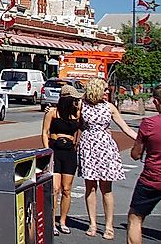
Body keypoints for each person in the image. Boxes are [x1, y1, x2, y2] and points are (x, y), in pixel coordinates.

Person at [78, 77, 138, 239]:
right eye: (104, 89)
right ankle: (92, 224)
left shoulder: (110, 107)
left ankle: (109, 225)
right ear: (95, 90)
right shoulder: (82, 105)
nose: (107, 92)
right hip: (88, 146)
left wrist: (143, 140)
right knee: (90, 186)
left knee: (106, 188)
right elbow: (71, 119)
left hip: (105, 147)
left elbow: (125, 128)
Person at [127, 85, 161, 244]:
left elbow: (135, 154)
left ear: (156, 102)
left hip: (152, 179)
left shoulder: (149, 123)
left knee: (135, 217)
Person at [42, 85, 82, 235]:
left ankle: (63, 221)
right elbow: (45, 132)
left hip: (69, 152)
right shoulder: (52, 112)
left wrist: (77, 144)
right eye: (74, 100)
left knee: (67, 189)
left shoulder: (77, 113)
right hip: (55, 150)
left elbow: (82, 127)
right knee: (55, 189)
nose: (76, 102)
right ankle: (51, 222)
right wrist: (47, 151)